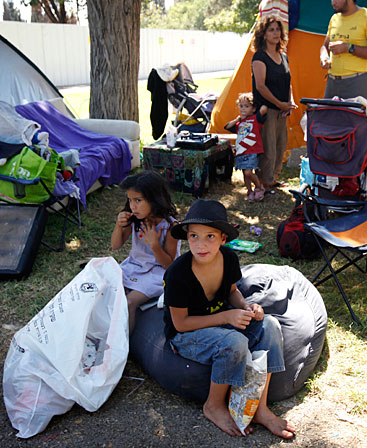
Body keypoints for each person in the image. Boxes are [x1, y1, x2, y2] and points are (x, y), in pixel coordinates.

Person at [163, 199, 295, 439]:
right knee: (234, 342)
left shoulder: (229, 258)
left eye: (209, 237)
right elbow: (180, 324)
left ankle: (260, 407)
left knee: (270, 325)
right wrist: (226, 316)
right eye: (193, 236)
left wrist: (247, 307)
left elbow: (232, 291)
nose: (200, 244)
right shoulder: (178, 273)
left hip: (220, 322)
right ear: (187, 237)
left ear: (223, 238)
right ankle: (213, 405)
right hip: (187, 335)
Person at [111, 171, 180, 333]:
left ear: (155, 199)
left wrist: (154, 244)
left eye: (138, 200)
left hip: (157, 274)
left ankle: (123, 348)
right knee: (108, 292)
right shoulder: (135, 219)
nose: (132, 206)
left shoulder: (171, 227)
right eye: (130, 200)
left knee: (129, 302)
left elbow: (169, 265)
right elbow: (115, 245)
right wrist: (118, 225)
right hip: (134, 266)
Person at [251, 15, 297, 194]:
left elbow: (288, 82)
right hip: (267, 109)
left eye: (278, 29)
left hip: (282, 110)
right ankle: (263, 181)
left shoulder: (284, 56)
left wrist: (290, 102)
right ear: (263, 34)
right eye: (271, 30)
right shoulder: (259, 57)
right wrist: (279, 104)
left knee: (280, 145)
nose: (276, 33)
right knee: (268, 148)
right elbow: (260, 86)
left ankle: (273, 179)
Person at [320, 0, 367, 101]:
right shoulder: (334, 18)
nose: (333, 2)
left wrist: (349, 48)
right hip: (332, 81)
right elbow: (324, 46)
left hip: (356, 81)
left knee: (356, 119)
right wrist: (324, 58)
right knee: (327, 119)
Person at [224, 92, 268, 202]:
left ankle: (258, 187)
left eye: (247, 106)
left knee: (249, 172)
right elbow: (227, 126)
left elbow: (264, 108)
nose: (243, 109)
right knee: (245, 174)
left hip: (251, 150)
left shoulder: (255, 119)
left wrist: (259, 99)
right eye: (241, 106)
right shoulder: (240, 123)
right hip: (241, 151)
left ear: (253, 108)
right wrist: (237, 119)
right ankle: (249, 191)